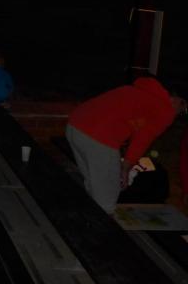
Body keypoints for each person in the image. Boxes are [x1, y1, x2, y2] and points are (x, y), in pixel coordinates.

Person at [66, 76, 186, 213]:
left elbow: (133, 125)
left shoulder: (141, 90)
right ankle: (101, 223)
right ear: (176, 100)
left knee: (93, 183)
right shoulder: (166, 109)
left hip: (75, 125)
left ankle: (88, 217)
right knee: (107, 197)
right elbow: (142, 139)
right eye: (183, 109)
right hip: (98, 137)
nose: (179, 114)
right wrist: (126, 167)